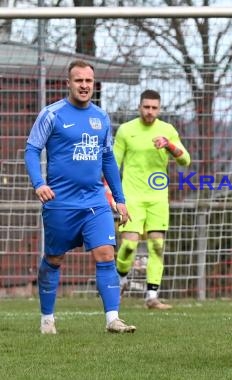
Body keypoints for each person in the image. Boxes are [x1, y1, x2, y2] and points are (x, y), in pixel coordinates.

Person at [24, 59, 136, 334]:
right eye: (79, 81)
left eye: (89, 81)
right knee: (54, 259)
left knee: (105, 253)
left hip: (95, 201)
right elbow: (31, 150)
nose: (84, 86)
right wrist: (39, 183)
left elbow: (108, 159)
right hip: (60, 203)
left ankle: (113, 318)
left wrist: (119, 199)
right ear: (69, 83)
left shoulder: (101, 117)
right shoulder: (52, 114)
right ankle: (47, 318)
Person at [114, 89, 191, 310]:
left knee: (157, 246)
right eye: (146, 107)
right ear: (139, 107)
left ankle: (152, 296)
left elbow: (185, 159)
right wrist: (110, 191)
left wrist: (169, 145)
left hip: (157, 198)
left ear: (159, 109)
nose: (150, 111)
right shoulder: (126, 131)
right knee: (129, 245)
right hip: (132, 197)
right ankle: (121, 279)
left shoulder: (167, 131)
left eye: (154, 108)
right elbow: (113, 163)